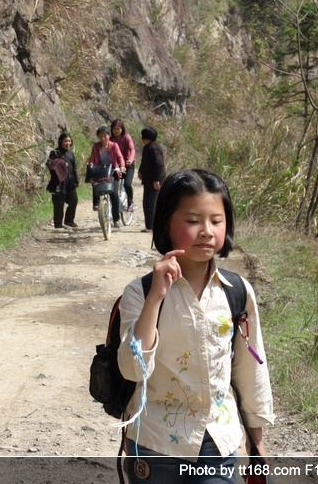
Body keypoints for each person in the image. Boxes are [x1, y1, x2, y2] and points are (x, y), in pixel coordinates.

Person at [117, 169, 275, 482]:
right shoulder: (141, 292)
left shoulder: (237, 292)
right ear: (166, 223)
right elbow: (133, 369)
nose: (206, 231)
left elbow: (250, 370)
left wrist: (256, 444)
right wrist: (155, 299)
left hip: (218, 442)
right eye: (192, 221)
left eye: (216, 220)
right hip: (154, 443)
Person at [87, 126, 125, 227]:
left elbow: (120, 157)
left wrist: (122, 166)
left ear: (109, 135)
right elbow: (92, 158)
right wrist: (91, 165)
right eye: (100, 136)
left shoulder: (114, 145)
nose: (103, 138)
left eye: (105, 136)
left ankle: (116, 219)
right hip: (100, 170)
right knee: (95, 183)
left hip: (112, 171)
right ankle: (96, 203)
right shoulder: (96, 146)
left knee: (114, 195)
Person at [46, 132, 79, 228]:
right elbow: (50, 165)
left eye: (69, 141)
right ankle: (58, 224)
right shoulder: (55, 153)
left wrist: (76, 180)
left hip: (71, 183)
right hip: (59, 183)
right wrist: (60, 163)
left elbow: (74, 168)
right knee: (58, 204)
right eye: (65, 141)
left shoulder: (71, 153)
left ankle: (69, 221)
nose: (67, 143)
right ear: (61, 142)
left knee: (74, 201)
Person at [137, 126, 165, 233]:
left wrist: (156, 179)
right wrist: (140, 171)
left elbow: (159, 165)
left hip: (154, 180)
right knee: (147, 202)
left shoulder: (153, 148)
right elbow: (144, 162)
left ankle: (152, 226)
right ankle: (149, 225)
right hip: (148, 180)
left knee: (151, 203)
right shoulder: (147, 147)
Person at [110, 119, 136, 213]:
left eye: (118, 129)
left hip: (128, 165)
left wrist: (130, 159)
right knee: (113, 188)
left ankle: (130, 202)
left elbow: (132, 149)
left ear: (122, 129)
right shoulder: (110, 139)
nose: (116, 131)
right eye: (114, 129)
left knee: (127, 184)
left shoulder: (126, 137)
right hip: (116, 166)